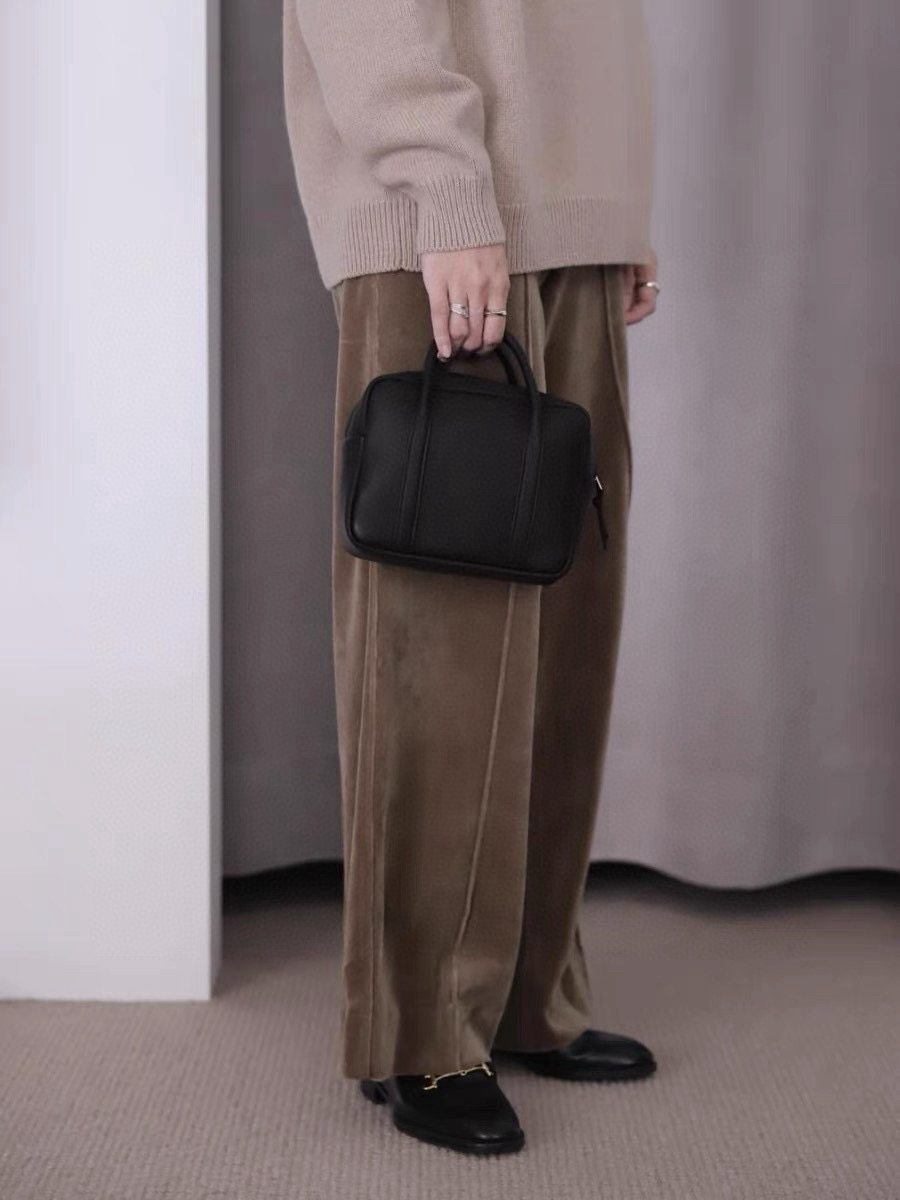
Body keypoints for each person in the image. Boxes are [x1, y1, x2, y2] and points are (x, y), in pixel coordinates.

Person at [282, 0, 660, 1156]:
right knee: (443, 653)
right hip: (443, 203)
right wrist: (443, 185)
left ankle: (527, 993)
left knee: (566, 632)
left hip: (572, 199)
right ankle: (425, 1030)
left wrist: (617, 201)